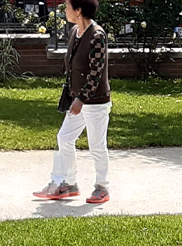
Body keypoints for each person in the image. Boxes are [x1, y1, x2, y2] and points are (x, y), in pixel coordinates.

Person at [33, 0, 111, 204]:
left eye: (67, 7)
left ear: (78, 11)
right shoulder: (75, 32)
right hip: (77, 99)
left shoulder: (97, 36)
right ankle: (68, 183)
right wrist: (72, 96)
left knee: (96, 145)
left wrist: (82, 98)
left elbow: (96, 72)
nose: (64, 10)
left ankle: (102, 187)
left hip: (95, 101)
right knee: (65, 137)